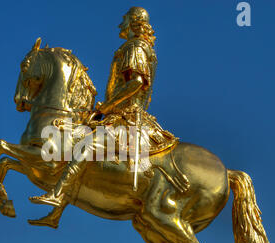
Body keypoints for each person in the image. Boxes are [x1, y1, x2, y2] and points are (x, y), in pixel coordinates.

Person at [28, 7, 176, 227]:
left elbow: (135, 83)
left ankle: (57, 194)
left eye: (125, 19)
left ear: (134, 23)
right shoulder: (140, 48)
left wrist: (108, 105)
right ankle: (55, 215)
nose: (121, 24)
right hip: (122, 116)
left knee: (86, 146)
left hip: (127, 117)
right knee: (73, 144)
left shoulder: (134, 47)